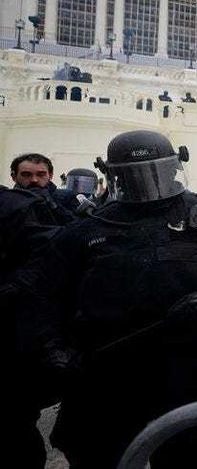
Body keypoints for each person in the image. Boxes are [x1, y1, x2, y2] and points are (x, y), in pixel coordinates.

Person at [22, 130, 197, 468]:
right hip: (106, 370)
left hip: (184, 366)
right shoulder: (88, 228)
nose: (149, 184)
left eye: (157, 173)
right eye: (136, 176)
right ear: (116, 176)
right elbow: (44, 293)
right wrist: (52, 349)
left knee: (187, 457)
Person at [0, 185, 63, 468]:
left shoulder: (15, 206)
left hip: (11, 330)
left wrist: (12, 286)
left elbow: (51, 258)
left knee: (13, 423)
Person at [10, 153, 76, 223]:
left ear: (50, 175)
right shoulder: (6, 201)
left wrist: (53, 206)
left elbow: (78, 227)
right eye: (26, 175)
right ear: (14, 177)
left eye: (41, 175)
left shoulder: (66, 198)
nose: (34, 180)